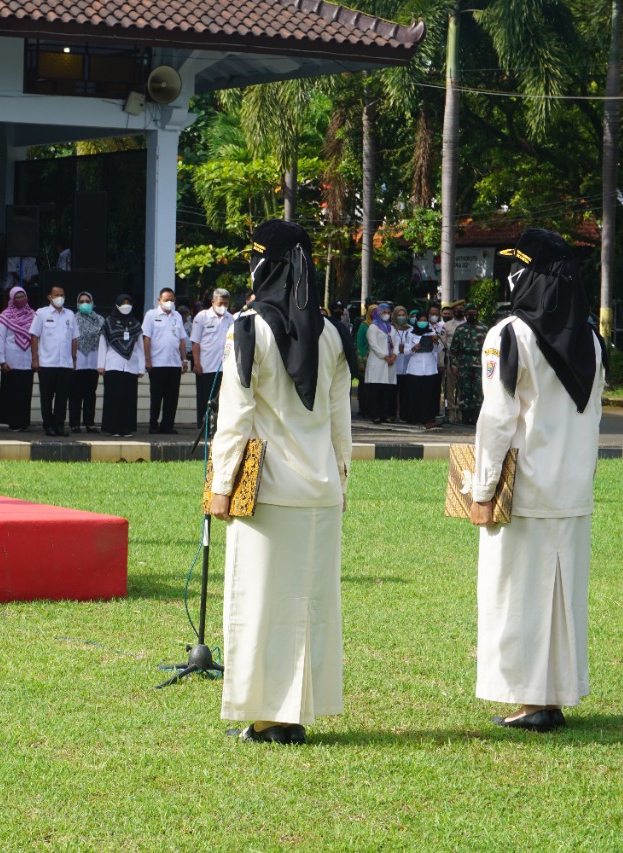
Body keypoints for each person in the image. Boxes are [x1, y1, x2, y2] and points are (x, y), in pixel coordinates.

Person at [210, 219, 352, 746]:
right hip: (320, 489)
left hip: (267, 490)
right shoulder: (331, 332)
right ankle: (296, 710)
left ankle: (269, 717)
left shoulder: (249, 329)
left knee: (261, 605)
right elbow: (341, 423)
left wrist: (221, 485)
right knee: (309, 606)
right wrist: (341, 482)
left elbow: (235, 417)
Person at [471, 227, 605, 732]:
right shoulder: (592, 339)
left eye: (517, 267)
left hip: (523, 491)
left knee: (517, 597)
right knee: (562, 599)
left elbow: (497, 420)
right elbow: (593, 417)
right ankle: (552, 696)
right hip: (572, 491)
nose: (511, 276)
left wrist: (482, 490)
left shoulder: (510, 335)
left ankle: (530, 702)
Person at [30, 284, 78, 436]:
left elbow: (74, 338)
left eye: (62, 295)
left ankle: (59, 425)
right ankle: (48, 425)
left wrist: (74, 360)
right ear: (49, 297)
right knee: (46, 396)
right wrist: (35, 359)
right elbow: (34, 337)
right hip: (47, 363)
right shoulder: (41, 313)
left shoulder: (70, 314)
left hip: (65, 363)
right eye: (56, 295)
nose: (60, 298)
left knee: (62, 397)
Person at [143, 287, 188, 434]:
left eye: (172, 300)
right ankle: (153, 425)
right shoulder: (151, 315)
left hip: (174, 363)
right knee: (156, 396)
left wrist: (184, 359)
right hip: (157, 363)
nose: (169, 302)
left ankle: (167, 425)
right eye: (166, 300)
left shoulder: (177, 316)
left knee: (172, 397)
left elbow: (181, 339)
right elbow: (147, 338)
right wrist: (147, 360)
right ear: (159, 300)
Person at [98, 294, 145, 436]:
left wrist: (141, 367)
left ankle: (126, 428)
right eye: (123, 303)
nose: (126, 306)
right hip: (113, 365)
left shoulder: (135, 324)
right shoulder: (108, 323)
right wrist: (101, 365)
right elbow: (103, 345)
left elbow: (140, 347)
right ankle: (113, 428)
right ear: (117, 305)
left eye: (128, 303)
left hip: (131, 365)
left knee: (128, 398)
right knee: (113, 398)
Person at [190, 288, 234, 432]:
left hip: (224, 368)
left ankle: (219, 428)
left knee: (222, 400)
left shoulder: (230, 319)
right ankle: (203, 427)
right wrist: (196, 363)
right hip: (206, 366)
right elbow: (195, 342)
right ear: (213, 302)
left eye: (226, 304)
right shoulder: (202, 317)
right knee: (205, 399)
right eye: (220, 303)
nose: (223, 306)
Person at [0, 285, 35, 432]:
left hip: (28, 360)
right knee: (13, 393)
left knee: (25, 393)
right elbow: (1, 340)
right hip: (11, 361)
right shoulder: (5, 316)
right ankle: (13, 423)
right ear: (11, 299)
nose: (20, 299)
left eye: (22, 296)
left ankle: (23, 423)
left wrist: (36, 358)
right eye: (17, 297)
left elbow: (37, 338)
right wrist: (2, 361)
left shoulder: (33, 315)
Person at [69, 291, 104, 433]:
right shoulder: (72, 319)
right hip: (77, 361)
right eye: (81, 301)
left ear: (92, 303)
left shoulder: (100, 320)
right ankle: (74, 423)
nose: (84, 304)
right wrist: (72, 359)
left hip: (93, 361)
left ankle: (90, 423)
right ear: (77, 304)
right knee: (75, 394)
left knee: (90, 394)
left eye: (87, 301)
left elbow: (103, 341)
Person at [400, 312, 441, 428]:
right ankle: (413, 417)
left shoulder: (432, 333)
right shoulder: (411, 333)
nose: (422, 322)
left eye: (424, 320)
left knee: (427, 394)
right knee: (415, 394)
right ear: (417, 321)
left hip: (429, 368)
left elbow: (437, 350)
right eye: (420, 320)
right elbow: (406, 351)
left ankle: (427, 418)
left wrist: (435, 342)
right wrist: (414, 348)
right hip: (415, 368)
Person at [450, 302, 486, 425]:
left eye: (474, 313)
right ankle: (465, 416)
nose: (472, 315)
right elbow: (453, 349)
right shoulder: (460, 329)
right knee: (465, 390)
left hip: (479, 364)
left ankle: (477, 416)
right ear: (465, 314)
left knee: (478, 390)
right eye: (469, 313)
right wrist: (454, 365)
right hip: (464, 363)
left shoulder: (484, 328)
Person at [363, 303, 397, 423]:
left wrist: (394, 355)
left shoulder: (391, 328)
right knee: (376, 390)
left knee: (386, 390)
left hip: (390, 363)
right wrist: (385, 356)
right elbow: (373, 345)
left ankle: (384, 414)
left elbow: (396, 343)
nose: (386, 314)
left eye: (388, 312)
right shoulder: (373, 327)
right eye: (384, 312)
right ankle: (375, 414)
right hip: (378, 361)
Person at [392, 306, 412, 419]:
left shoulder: (410, 329)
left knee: (405, 392)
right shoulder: (391, 328)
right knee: (393, 392)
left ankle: (405, 414)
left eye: (403, 315)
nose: (401, 317)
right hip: (394, 364)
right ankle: (392, 413)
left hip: (407, 364)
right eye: (399, 315)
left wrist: (406, 348)